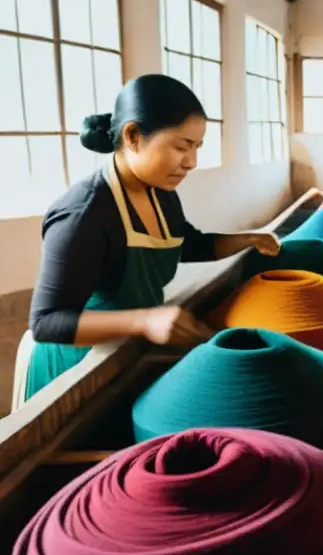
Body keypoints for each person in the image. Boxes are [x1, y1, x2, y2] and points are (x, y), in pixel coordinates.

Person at [18, 74, 281, 403]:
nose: (191, 162)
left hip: (124, 347)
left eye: (197, 148)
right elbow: (47, 322)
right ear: (133, 136)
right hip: (74, 367)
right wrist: (145, 320)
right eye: (181, 146)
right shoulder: (84, 215)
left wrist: (247, 239)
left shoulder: (159, 192)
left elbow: (188, 244)